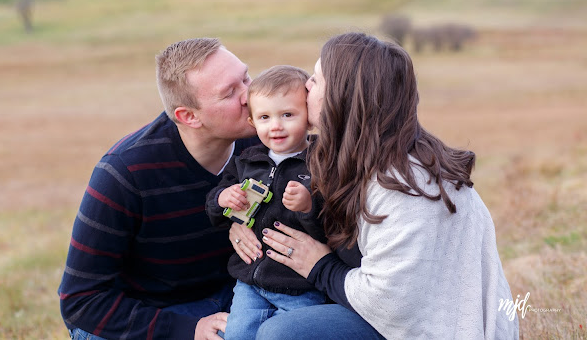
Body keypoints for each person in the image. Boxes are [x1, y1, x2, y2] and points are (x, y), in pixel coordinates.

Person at [232, 32, 519, 339]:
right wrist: (239, 221)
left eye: (315, 80)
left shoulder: (404, 185)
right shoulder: (361, 158)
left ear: (340, 97)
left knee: (282, 334)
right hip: (396, 317)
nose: (305, 87)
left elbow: (390, 304)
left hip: (431, 330)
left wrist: (320, 267)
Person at [58, 38, 261, 340]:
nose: (250, 95)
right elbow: (81, 299)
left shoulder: (264, 144)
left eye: (246, 78)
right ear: (189, 116)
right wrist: (188, 330)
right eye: (230, 93)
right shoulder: (124, 173)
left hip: (232, 296)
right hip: (149, 313)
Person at [205, 65, 325, 339]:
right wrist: (224, 198)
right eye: (265, 117)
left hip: (300, 286)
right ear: (252, 123)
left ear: (309, 117)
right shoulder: (248, 160)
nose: (276, 126)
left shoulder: (322, 163)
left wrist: (308, 207)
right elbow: (215, 205)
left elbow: (332, 226)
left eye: (287, 115)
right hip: (250, 281)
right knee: (238, 334)